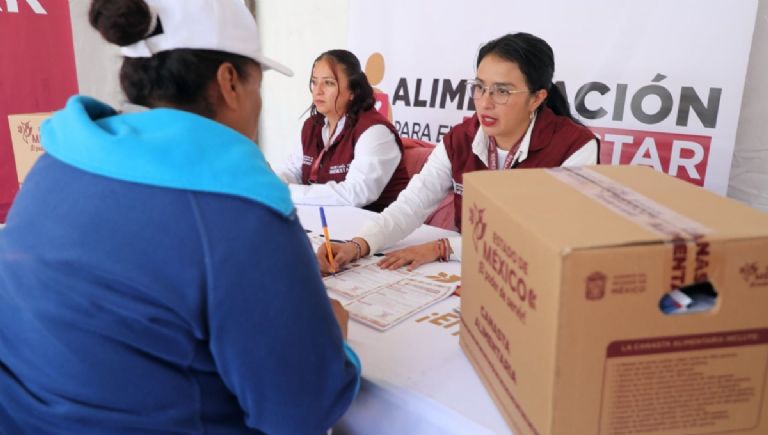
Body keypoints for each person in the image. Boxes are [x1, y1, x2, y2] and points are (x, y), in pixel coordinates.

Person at [0, 1, 360, 434]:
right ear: (229, 82)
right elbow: (303, 408)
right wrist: (333, 344)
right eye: (258, 83)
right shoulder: (241, 212)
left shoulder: (56, 164)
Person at [317, 32, 599, 273]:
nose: (485, 103)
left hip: (534, 274)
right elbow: (411, 205)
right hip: (470, 270)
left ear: (537, 98)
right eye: (479, 87)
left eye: (502, 91)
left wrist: (443, 247)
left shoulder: (575, 146)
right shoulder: (460, 139)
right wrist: (358, 245)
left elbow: (545, 235)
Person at [275, 49, 409, 212]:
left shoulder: (376, 131)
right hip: (329, 224)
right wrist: (273, 183)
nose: (318, 90)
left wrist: (287, 192)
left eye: (329, 83)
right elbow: (293, 170)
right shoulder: (312, 125)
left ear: (353, 91)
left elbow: (356, 193)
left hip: (375, 230)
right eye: (314, 82)